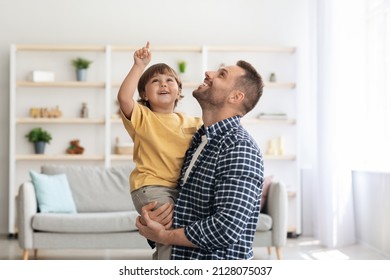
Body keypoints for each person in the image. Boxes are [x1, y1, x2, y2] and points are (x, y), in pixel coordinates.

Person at [136, 60, 265, 260]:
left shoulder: (239, 147)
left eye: (221, 74)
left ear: (235, 97)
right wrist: (154, 222)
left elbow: (226, 228)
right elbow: (186, 211)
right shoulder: (198, 140)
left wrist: (164, 235)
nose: (208, 72)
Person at [117, 42, 202, 259]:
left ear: (179, 91)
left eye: (169, 81)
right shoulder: (143, 117)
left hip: (179, 189)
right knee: (169, 233)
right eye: (155, 81)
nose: (163, 84)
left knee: (171, 237)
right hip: (151, 186)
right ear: (144, 94)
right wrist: (139, 66)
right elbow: (124, 98)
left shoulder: (194, 121)